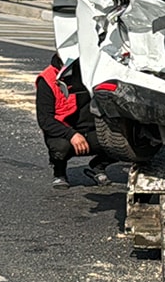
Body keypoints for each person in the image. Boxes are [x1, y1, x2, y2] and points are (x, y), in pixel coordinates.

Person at [36, 54, 113, 188]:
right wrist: (71, 135)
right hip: (64, 132)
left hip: (93, 129)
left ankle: (98, 166)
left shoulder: (95, 72)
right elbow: (45, 120)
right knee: (60, 148)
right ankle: (59, 172)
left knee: (125, 140)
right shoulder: (47, 79)